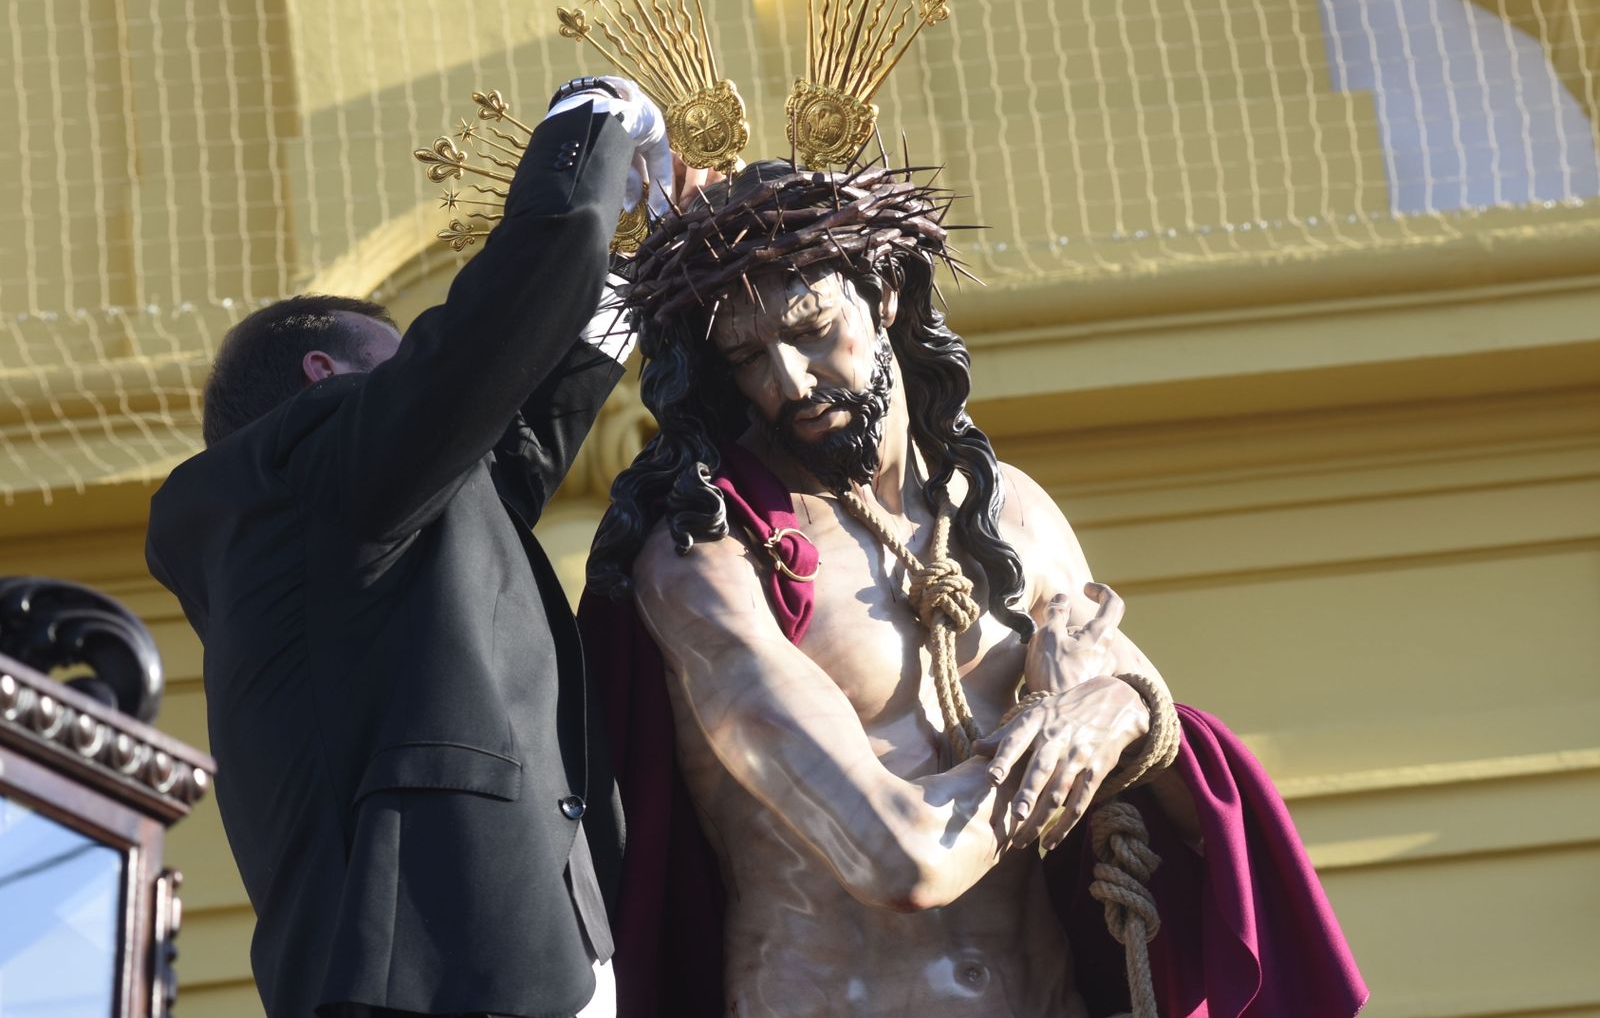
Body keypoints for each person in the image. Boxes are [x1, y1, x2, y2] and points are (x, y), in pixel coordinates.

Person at [579, 161, 1368, 1016]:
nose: (789, 382)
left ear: (882, 295)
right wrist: (1069, 738)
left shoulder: (1014, 513)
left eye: (812, 329)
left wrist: (1127, 712)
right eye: (745, 358)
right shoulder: (713, 556)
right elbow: (896, 858)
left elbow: (1163, 773)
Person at [146, 77, 685, 1018]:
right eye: (398, 357)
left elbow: (511, 449)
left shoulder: (368, 529)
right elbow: (485, 346)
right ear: (325, 377)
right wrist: (594, 119)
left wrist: (641, 270)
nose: (428, 390)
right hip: (441, 979)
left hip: (507, 966)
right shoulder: (317, 470)